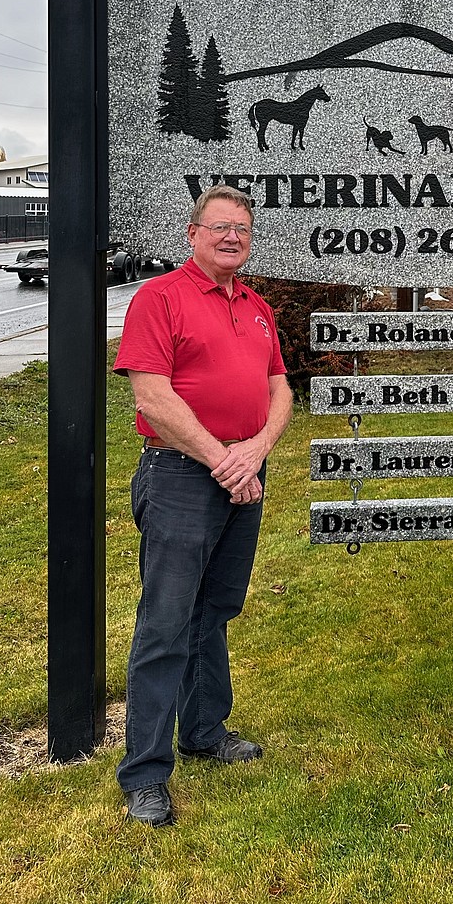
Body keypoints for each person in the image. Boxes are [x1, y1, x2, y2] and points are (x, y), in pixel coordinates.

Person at [112, 185, 293, 826]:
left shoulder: (257, 307)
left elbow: (279, 387)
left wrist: (257, 450)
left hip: (244, 473)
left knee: (213, 609)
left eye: (242, 228)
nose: (231, 237)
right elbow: (152, 396)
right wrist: (224, 458)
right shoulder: (159, 298)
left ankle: (206, 730)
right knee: (165, 623)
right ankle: (145, 773)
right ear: (192, 233)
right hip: (182, 475)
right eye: (219, 226)